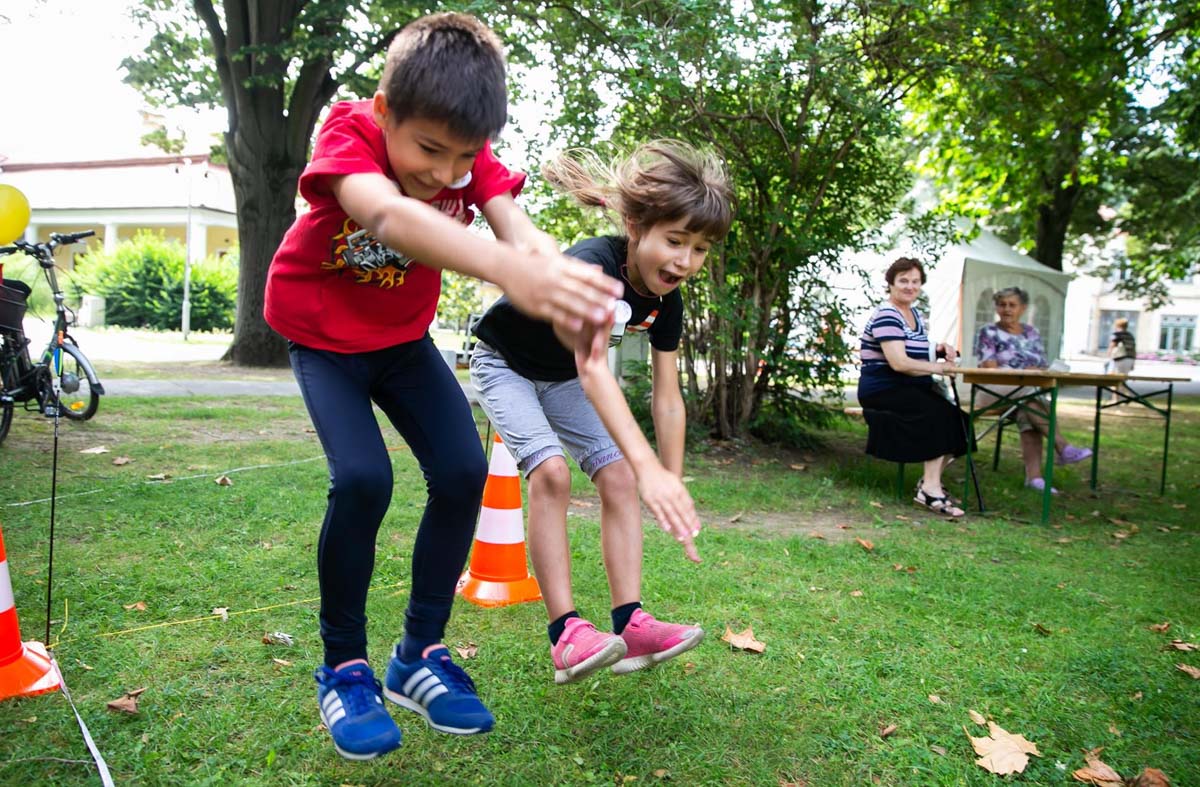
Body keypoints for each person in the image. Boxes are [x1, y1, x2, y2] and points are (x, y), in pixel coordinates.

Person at [263, 13, 623, 761]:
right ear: (387, 111)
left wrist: (550, 270)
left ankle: (417, 656)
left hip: (399, 342)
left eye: (460, 155)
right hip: (323, 338)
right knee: (363, 478)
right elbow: (388, 215)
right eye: (429, 149)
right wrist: (503, 269)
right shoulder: (349, 131)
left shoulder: (468, 159)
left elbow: (514, 225)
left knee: (463, 470)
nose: (442, 171)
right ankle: (344, 665)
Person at [470, 141, 733, 685]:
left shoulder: (667, 301)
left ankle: (630, 623)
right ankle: (565, 634)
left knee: (617, 477)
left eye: (701, 248)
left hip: (562, 375)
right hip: (506, 364)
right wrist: (651, 469)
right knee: (552, 473)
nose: (686, 261)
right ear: (637, 227)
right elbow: (594, 369)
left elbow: (667, 396)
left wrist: (672, 483)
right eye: (675, 241)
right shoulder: (594, 264)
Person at [857, 257, 967, 518]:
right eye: (903, 281)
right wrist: (939, 368)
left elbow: (915, 349)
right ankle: (930, 489)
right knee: (937, 415)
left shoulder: (915, 315)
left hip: (908, 386)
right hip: (882, 389)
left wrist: (938, 349)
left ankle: (929, 484)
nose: (909, 286)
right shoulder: (887, 314)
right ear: (891, 284)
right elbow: (898, 362)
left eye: (915, 281)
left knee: (960, 421)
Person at [974, 286, 1092, 494]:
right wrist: (1023, 372)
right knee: (1031, 393)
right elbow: (989, 368)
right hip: (992, 392)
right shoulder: (988, 332)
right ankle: (1062, 447)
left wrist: (1034, 370)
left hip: (1025, 394)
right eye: (1002, 305)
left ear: (1023, 308)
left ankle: (1035, 478)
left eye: (1012, 305)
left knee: (1029, 410)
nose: (1007, 309)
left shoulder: (1032, 333)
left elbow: (1043, 366)